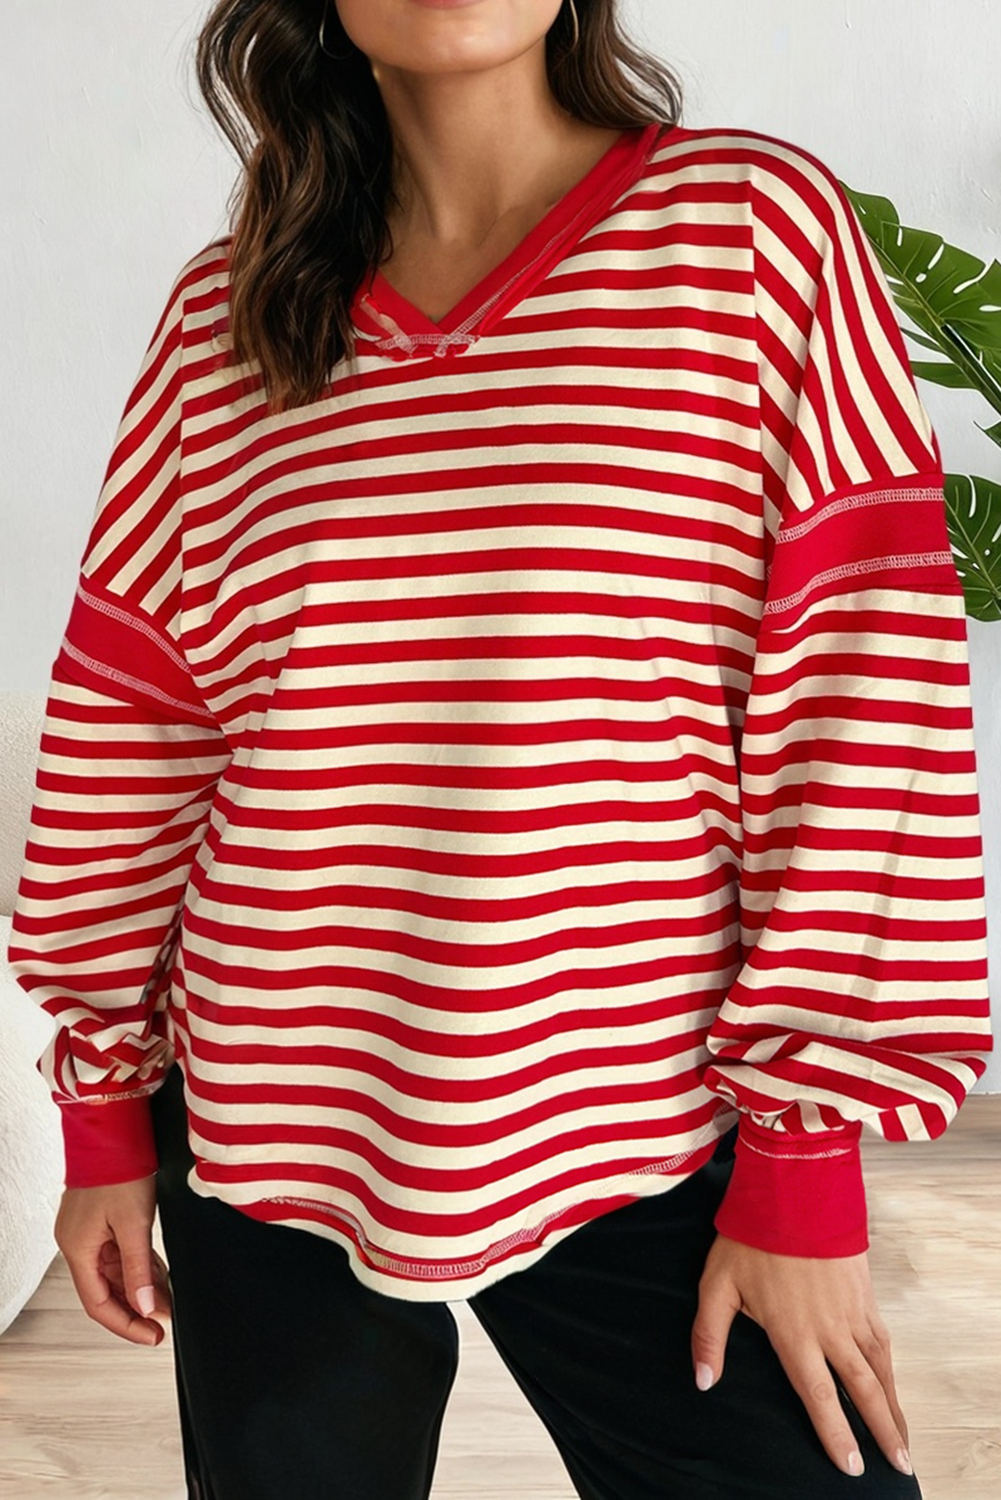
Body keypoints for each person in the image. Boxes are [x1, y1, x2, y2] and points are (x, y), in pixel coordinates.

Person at [7, 1, 992, 1497]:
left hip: (648, 1108)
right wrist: (103, 1115)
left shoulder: (749, 235)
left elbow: (861, 702)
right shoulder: (229, 314)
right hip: (271, 1110)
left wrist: (801, 1163)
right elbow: (136, 730)